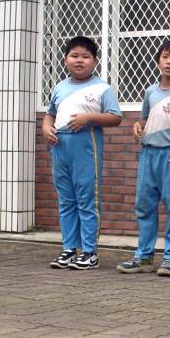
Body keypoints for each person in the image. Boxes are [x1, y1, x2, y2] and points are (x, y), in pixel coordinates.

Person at [117, 39, 170, 277]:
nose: (169, 62)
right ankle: (144, 256)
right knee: (144, 205)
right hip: (148, 154)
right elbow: (144, 120)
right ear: (158, 61)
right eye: (165, 57)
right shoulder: (150, 92)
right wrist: (137, 126)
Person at [45, 36, 122, 270]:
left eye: (86, 56)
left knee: (87, 199)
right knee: (66, 200)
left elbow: (115, 117)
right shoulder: (59, 87)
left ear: (95, 61)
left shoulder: (102, 88)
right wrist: (46, 128)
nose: (79, 60)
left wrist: (89, 118)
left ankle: (89, 252)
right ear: (65, 60)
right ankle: (69, 249)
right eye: (74, 56)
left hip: (86, 145)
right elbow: (50, 114)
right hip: (60, 146)